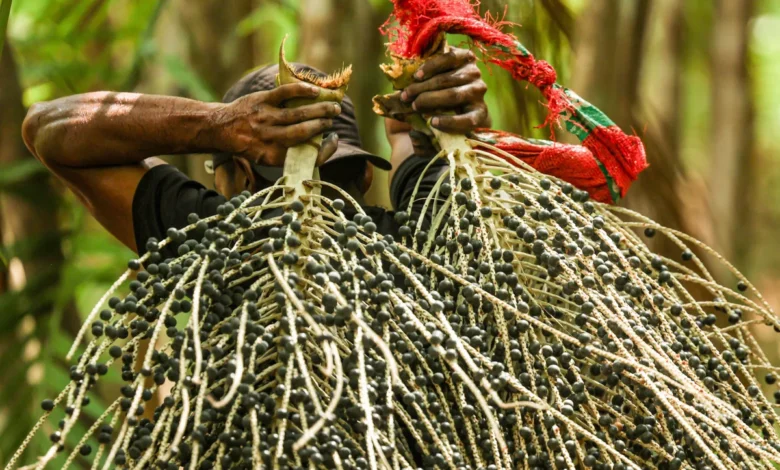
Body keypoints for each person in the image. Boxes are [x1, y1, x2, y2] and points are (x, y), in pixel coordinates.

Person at [22, 47, 490, 256]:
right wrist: (437, 100)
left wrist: (220, 127)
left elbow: (47, 129)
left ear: (240, 177)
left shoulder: (219, 246)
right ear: (365, 176)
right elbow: (411, 137)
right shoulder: (427, 243)